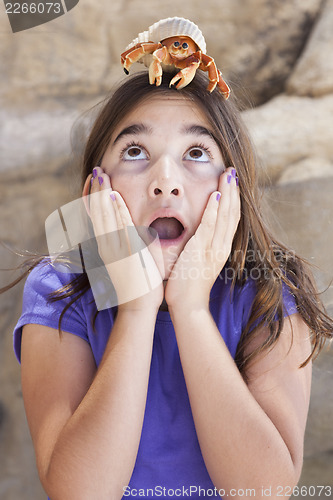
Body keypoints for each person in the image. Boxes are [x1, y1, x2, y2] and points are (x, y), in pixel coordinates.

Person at [9, 70, 333, 500]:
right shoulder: (57, 289)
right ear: (96, 191)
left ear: (232, 186)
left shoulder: (269, 292)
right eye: (135, 150)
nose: (165, 180)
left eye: (196, 152)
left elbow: (263, 489)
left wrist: (193, 308)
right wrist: (137, 308)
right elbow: (80, 492)